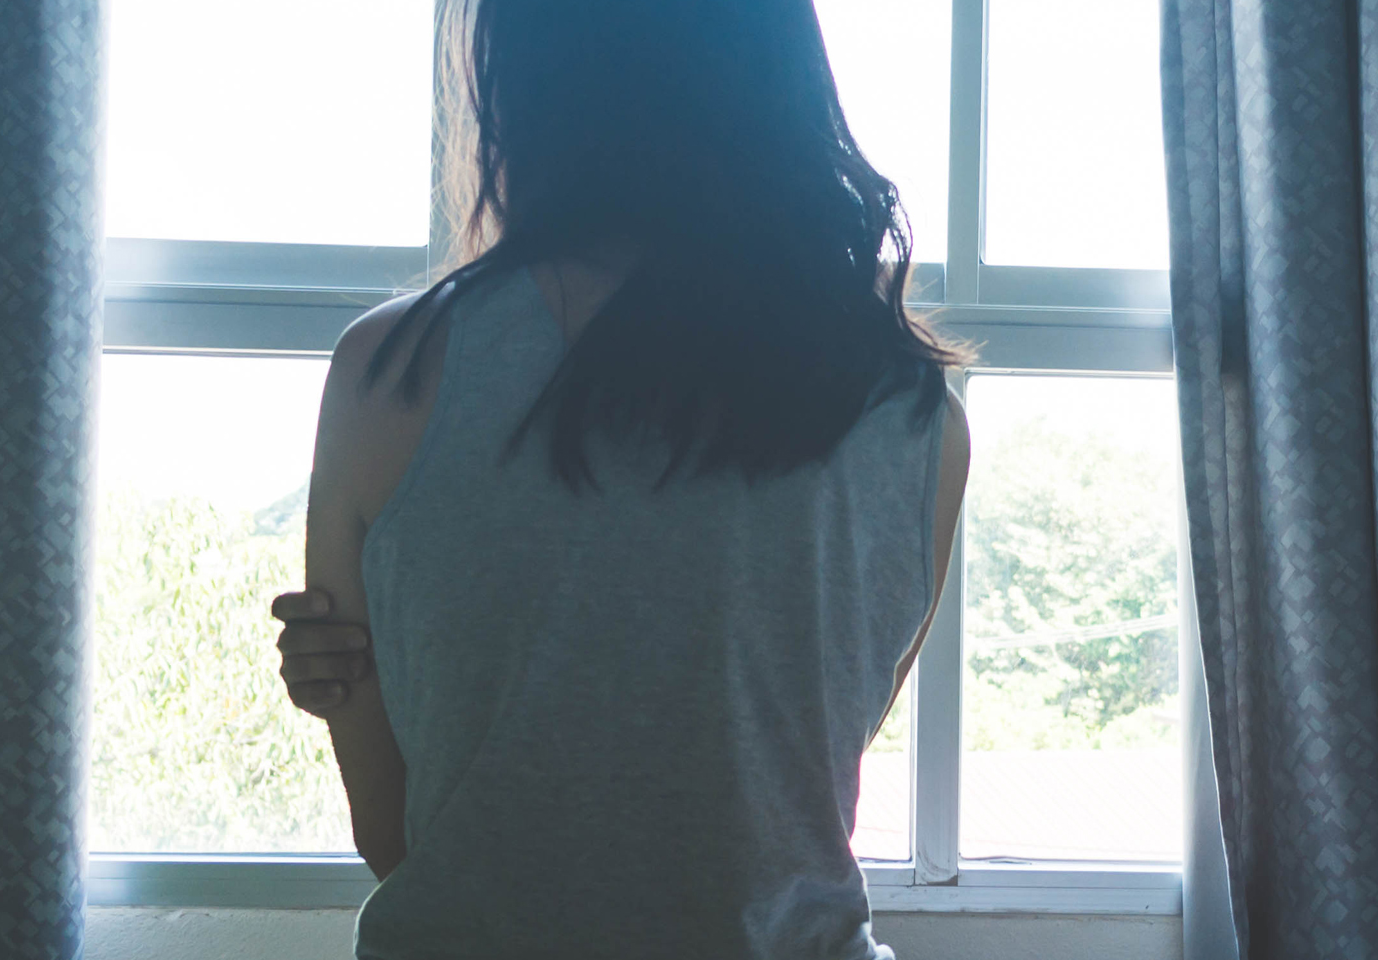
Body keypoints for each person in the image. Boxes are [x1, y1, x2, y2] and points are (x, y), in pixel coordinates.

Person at [262, 1, 969, 957]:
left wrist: (360, 688)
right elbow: (769, 800)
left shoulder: (390, 373)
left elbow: (402, 843)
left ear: (518, 82)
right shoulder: (915, 417)